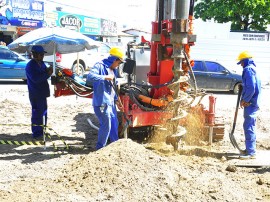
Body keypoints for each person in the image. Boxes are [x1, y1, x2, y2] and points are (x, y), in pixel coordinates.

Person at [86, 47, 124, 150]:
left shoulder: (113, 70)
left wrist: (117, 101)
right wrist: (104, 77)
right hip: (102, 103)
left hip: (110, 103)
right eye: (119, 63)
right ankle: (100, 149)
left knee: (114, 125)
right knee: (106, 126)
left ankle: (115, 147)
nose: (118, 65)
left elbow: (113, 88)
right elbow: (90, 77)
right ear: (114, 59)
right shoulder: (99, 66)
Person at [236, 51, 261, 160]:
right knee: (250, 125)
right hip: (253, 102)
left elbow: (251, 87)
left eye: (241, 62)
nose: (241, 65)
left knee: (249, 126)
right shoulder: (253, 69)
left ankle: (251, 153)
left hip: (251, 103)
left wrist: (245, 100)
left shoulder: (248, 70)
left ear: (245, 61)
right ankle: (250, 149)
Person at [26, 45, 53, 139]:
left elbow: (45, 72)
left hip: (42, 93)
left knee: (44, 112)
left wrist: (49, 70)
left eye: (43, 54)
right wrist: (47, 74)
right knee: (37, 113)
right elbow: (36, 79)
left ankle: (43, 131)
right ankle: (37, 134)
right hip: (35, 94)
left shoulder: (41, 63)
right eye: (40, 54)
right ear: (34, 54)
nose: (42, 56)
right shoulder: (30, 66)